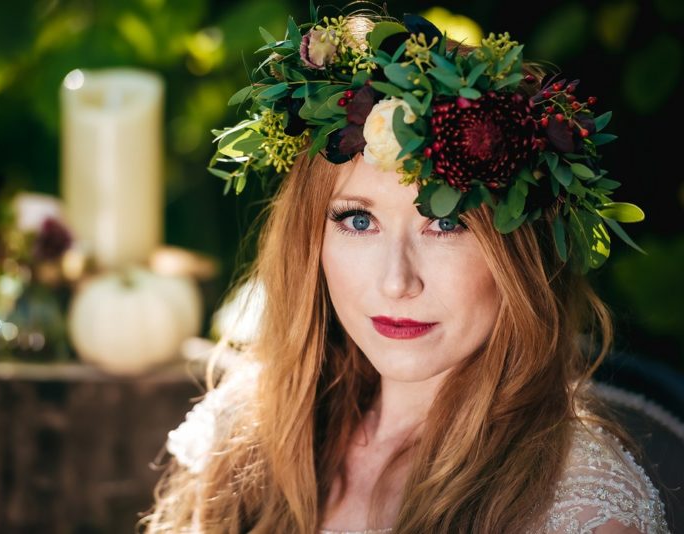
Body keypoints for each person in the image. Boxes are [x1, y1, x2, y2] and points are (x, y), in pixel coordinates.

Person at [140, 6, 670, 533]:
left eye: (445, 224)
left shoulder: (577, 512)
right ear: (311, 239)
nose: (397, 282)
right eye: (358, 220)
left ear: (517, 254)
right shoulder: (252, 429)